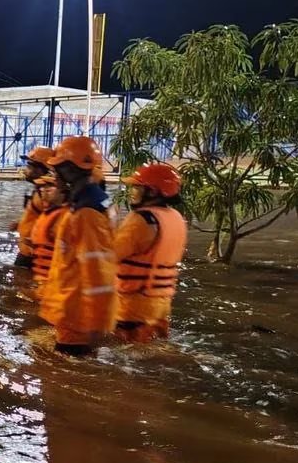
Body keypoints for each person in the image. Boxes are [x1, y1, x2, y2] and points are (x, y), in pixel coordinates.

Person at [38, 136, 117, 355]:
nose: (54, 177)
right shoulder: (95, 201)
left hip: (77, 312)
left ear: (70, 171)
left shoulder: (86, 212)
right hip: (75, 308)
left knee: (62, 370)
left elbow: (96, 268)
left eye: (57, 171)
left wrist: (96, 318)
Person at [114, 164, 188, 343]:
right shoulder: (176, 217)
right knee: (153, 347)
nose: (132, 192)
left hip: (133, 305)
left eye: (137, 187)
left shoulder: (140, 220)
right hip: (161, 304)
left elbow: (109, 256)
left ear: (153, 191)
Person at [12, 147, 57, 268]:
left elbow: (53, 223)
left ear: (40, 169)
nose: (26, 170)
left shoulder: (47, 192)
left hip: (34, 253)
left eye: (29, 166)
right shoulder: (39, 189)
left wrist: (36, 242)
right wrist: (20, 224)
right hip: (29, 250)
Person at [27, 174, 67, 291]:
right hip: (43, 282)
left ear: (64, 191)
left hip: (54, 285)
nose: (43, 189)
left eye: (50, 186)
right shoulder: (49, 213)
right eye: (43, 186)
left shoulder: (63, 217)